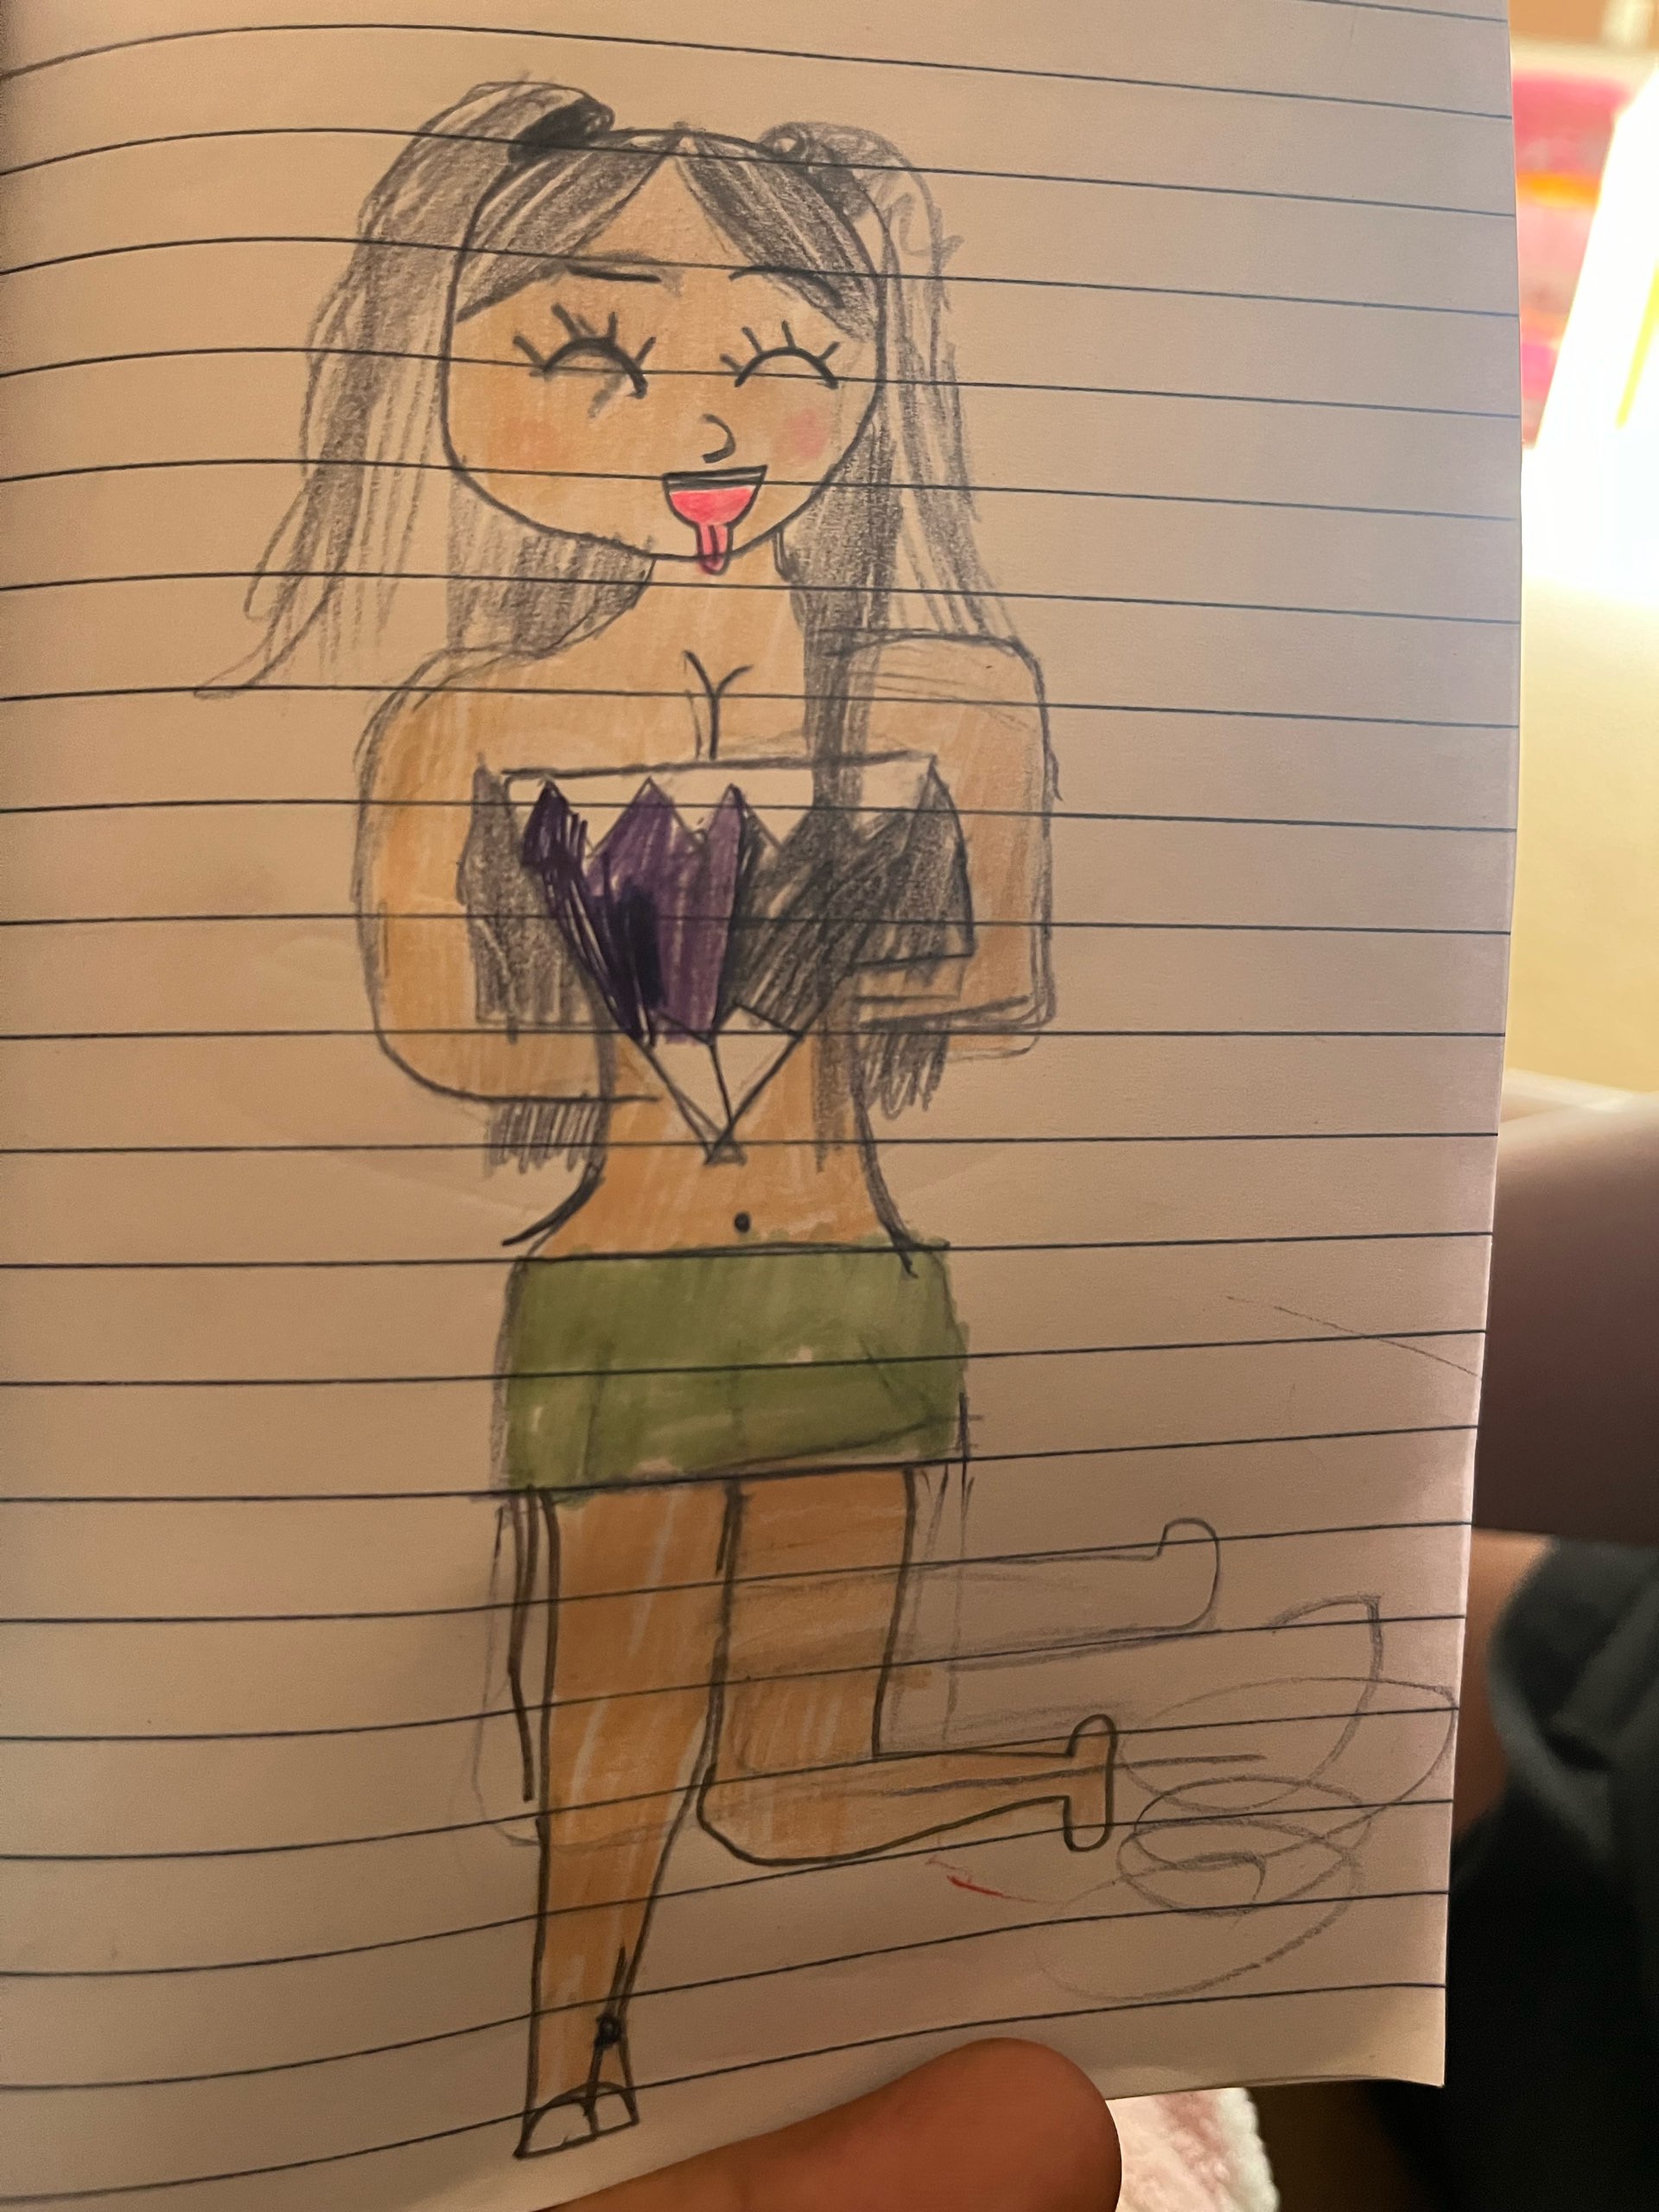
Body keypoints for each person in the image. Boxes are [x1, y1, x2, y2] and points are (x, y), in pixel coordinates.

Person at [246, 81, 1117, 2160]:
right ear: (450, 374)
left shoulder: (959, 691)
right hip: (620, 1285)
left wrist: (778, 929)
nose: (710, 419)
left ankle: (1065, 1774)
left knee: (789, 1791)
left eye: (788, 351)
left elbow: (993, 982)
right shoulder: (464, 720)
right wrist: (656, 970)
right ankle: (570, 2077)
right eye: (589, 352)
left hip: (850, 1275)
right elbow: (447, 1037)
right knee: (609, 1759)